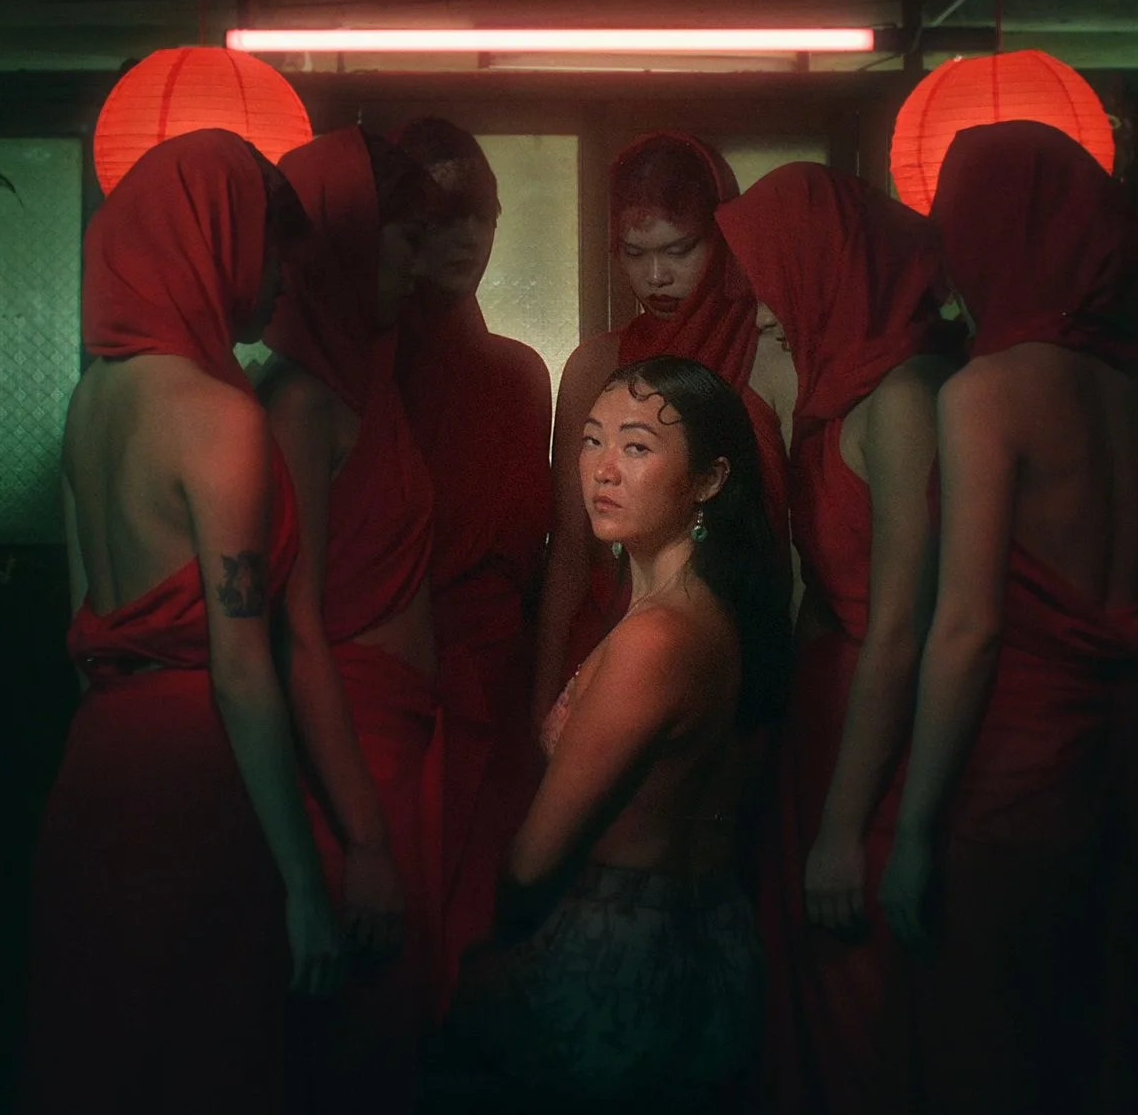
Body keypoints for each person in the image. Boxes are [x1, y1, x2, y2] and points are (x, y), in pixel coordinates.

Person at [22, 130, 341, 1113]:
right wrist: (303, 879)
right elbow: (242, 667)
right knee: (205, 1055)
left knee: (102, 1052)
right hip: (196, 772)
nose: (281, 277)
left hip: (95, 763)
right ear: (216, 241)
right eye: (268, 244)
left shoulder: (89, 400)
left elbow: (83, 621)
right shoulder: (219, 416)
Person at [881, 120, 1138, 1114]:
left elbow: (968, 627)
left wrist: (913, 828)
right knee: (1101, 1052)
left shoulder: (985, 393)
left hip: (1019, 776)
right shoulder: (1128, 401)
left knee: (994, 1060)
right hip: (1131, 768)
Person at [433, 355, 789, 1113]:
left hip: (622, 956)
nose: (602, 469)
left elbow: (533, 861)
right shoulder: (691, 607)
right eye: (591, 440)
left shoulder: (657, 638)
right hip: (683, 938)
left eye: (636, 446)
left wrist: (495, 954)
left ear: (711, 478)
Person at [716, 163, 960, 1112]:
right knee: (810, 997)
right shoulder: (837, 384)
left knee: (868, 1001)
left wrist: (844, 827)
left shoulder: (905, 397)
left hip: (879, 729)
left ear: (828, 269)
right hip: (821, 718)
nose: (763, 311)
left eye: (775, 282)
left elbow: (903, 626)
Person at [260, 125, 443, 1112]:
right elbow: (291, 628)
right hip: (346, 762)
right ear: (348, 242)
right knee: (352, 1045)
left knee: (395, 1033)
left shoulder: (372, 374)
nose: (419, 266)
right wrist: (364, 839)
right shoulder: (299, 401)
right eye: (404, 239)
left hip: (401, 742)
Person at [531, 132, 792, 728]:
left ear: (723, 237)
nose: (655, 276)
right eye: (633, 253)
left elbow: (790, 551)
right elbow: (569, 548)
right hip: (605, 630)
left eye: (680, 249)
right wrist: (542, 692)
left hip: (736, 645)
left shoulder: (768, 350)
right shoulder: (596, 365)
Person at [390, 119, 554, 1010]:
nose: (464, 237)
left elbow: (539, 552)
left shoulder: (522, 375)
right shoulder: (357, 377)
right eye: (437, 216)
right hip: (395, 686)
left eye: (480, 215)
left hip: (501, 678)